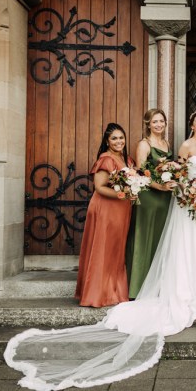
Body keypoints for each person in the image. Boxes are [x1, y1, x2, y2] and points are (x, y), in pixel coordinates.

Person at [4, 112, 196, 390]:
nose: (159, 125)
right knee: (149, 242)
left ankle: (183, 282)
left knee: (178, 244)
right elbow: (147, 173)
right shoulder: (164, 146)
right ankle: (132, 287)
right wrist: (168, 187)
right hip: (156, 197)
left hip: (189, 197)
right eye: (156, 121)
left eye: (120, 138)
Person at [74, 123, 134, 308]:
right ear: (107, 141)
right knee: (104, 249)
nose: (119, 141)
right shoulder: (106, 159)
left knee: (116, 250)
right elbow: (99, 188)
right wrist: (123, 194)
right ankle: (97, 294)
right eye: (114, 138)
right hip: (106, 208)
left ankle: (113, 292)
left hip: (121, 209)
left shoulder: (126, 159)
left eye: (121, 137)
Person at [125, 109, 175, 299]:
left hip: (164, 198)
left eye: (161, 121)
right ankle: (137, 288)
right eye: (155, 122)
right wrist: (160, 187)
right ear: (148, 124)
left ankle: (155, 285)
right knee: (144, 238)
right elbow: (141, 173)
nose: (159, 125)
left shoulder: (166, 143)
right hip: (149, 197)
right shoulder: (144, 145)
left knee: (159, 239)